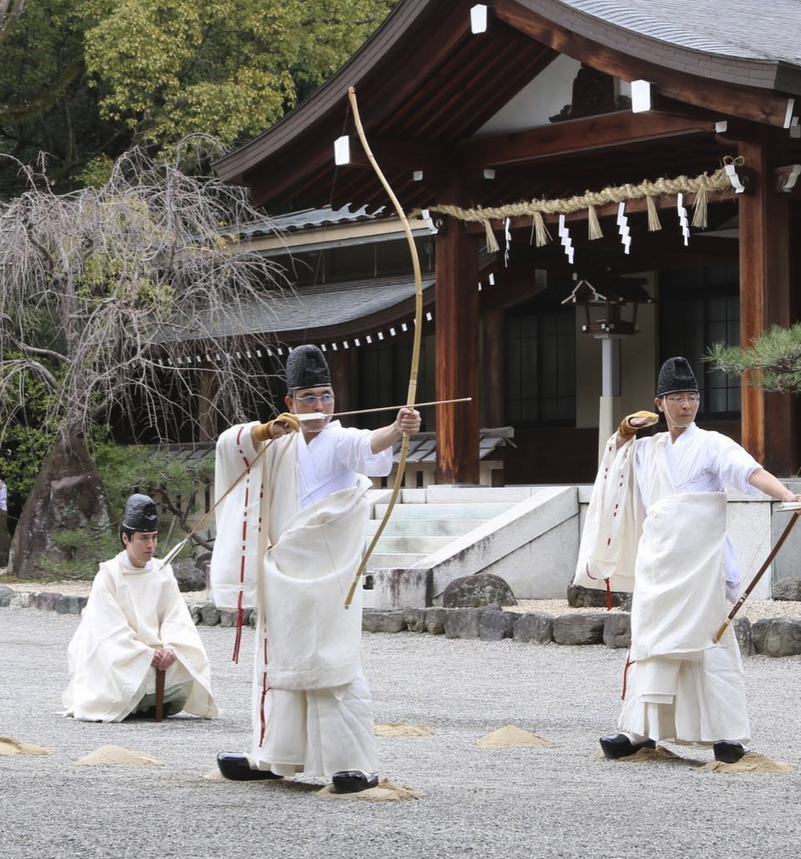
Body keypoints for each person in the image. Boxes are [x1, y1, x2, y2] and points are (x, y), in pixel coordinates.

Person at [210, 344, 420, 792]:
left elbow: (369, 443)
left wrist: (396, 428)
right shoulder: (278, 444)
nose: (319, 407)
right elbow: (232, 445)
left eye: (326, 397)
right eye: (309, 398)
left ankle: (355, 764)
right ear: (290, 403)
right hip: (283, 568)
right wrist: (265, 430)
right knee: (280, 663)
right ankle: (272, 755)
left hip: (327, 571)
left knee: (331, 660)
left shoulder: (339, 440)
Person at [575, 356, 801, 763]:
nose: (686, 405)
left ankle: (730, 736)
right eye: (677, 397)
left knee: (709, 643)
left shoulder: (712, 444)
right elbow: (615, 466)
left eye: (692, 397)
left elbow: (748, 471)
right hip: (658, 561)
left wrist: (786, 495)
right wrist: (624, 433)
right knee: (652, 643)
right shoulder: (648, 449)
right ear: (660, 403)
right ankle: (640, 731)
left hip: (701, 563)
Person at [62, 494, 218, 722]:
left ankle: (152, 701)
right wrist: (144, 654)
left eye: (154, 537)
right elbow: (108, 629)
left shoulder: (162, 571)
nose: (151, 545)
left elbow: (176, 617)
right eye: (143, 538)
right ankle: (137, 702)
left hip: (158, 650)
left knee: (189, 661)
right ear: (126, 538)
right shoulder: (108, 576)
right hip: (124, 652)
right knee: (128, 672)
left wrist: (171, 648)